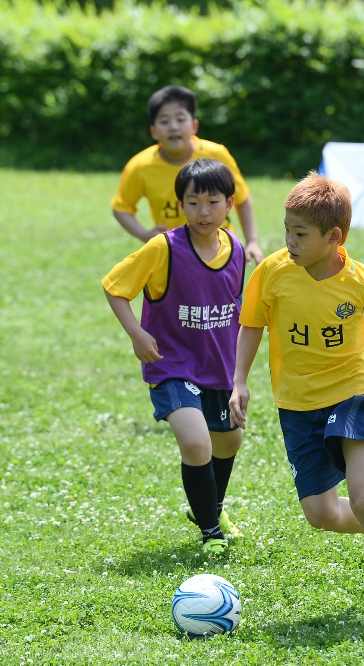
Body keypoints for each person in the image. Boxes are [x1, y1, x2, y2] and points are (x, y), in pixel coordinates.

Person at [229, 172, 364, 626]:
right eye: (286, 230)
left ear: (333, 237)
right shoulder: (273, 272)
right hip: (296, 404)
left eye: (300, 234)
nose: (289, 241)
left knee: (363, 497)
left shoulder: (362, 281)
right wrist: (239, 382)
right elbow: (251, 325)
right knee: (320, 514)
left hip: (353, 395)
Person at [104, 158, 246, 556]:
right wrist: (137, 333)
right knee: (196, 442)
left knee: (230, 441)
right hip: (173, 364)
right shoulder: (163, 247)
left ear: (229, 204)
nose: (204, 211)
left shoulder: (235, 249)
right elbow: (115, 287)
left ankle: (212, 508)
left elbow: (235, 307)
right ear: (180, 205)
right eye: (193, 202)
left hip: (218, 366)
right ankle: (210, 532)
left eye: (213, 202)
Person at [110, 85, 263, 264]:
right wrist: (145, 234)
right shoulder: (141, 166)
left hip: (220, 250)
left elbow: (241, 198)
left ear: (194, 125)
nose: (173, 127)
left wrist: (252, 241)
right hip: (174, 254)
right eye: (165, 121)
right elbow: (121, 208)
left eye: (181, 119)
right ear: (154, 131)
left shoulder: (217, 155)